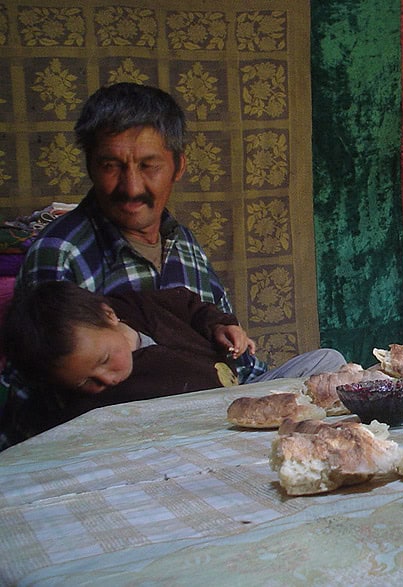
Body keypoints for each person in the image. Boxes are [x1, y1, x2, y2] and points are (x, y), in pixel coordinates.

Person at [11, 82, 344, 383]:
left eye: (148, 166)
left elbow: (237, 359)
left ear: (178, 167)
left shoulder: (183, 243)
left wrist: (234, 346)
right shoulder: (60, 252)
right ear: (90, 167)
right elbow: (45, 398)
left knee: (332, 366)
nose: (131, 187)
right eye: (110, 166)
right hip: (142, 427)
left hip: (223, 397)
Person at [0, 281, 336, 443]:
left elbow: (192, 306)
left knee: (329, 360)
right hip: (204, 425)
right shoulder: (102, 399)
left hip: (248, 392)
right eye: (87, 382)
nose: (106, 380)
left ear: (109, 315)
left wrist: (221, 325)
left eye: (103, 360)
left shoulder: (139, 305)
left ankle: (293, 421)